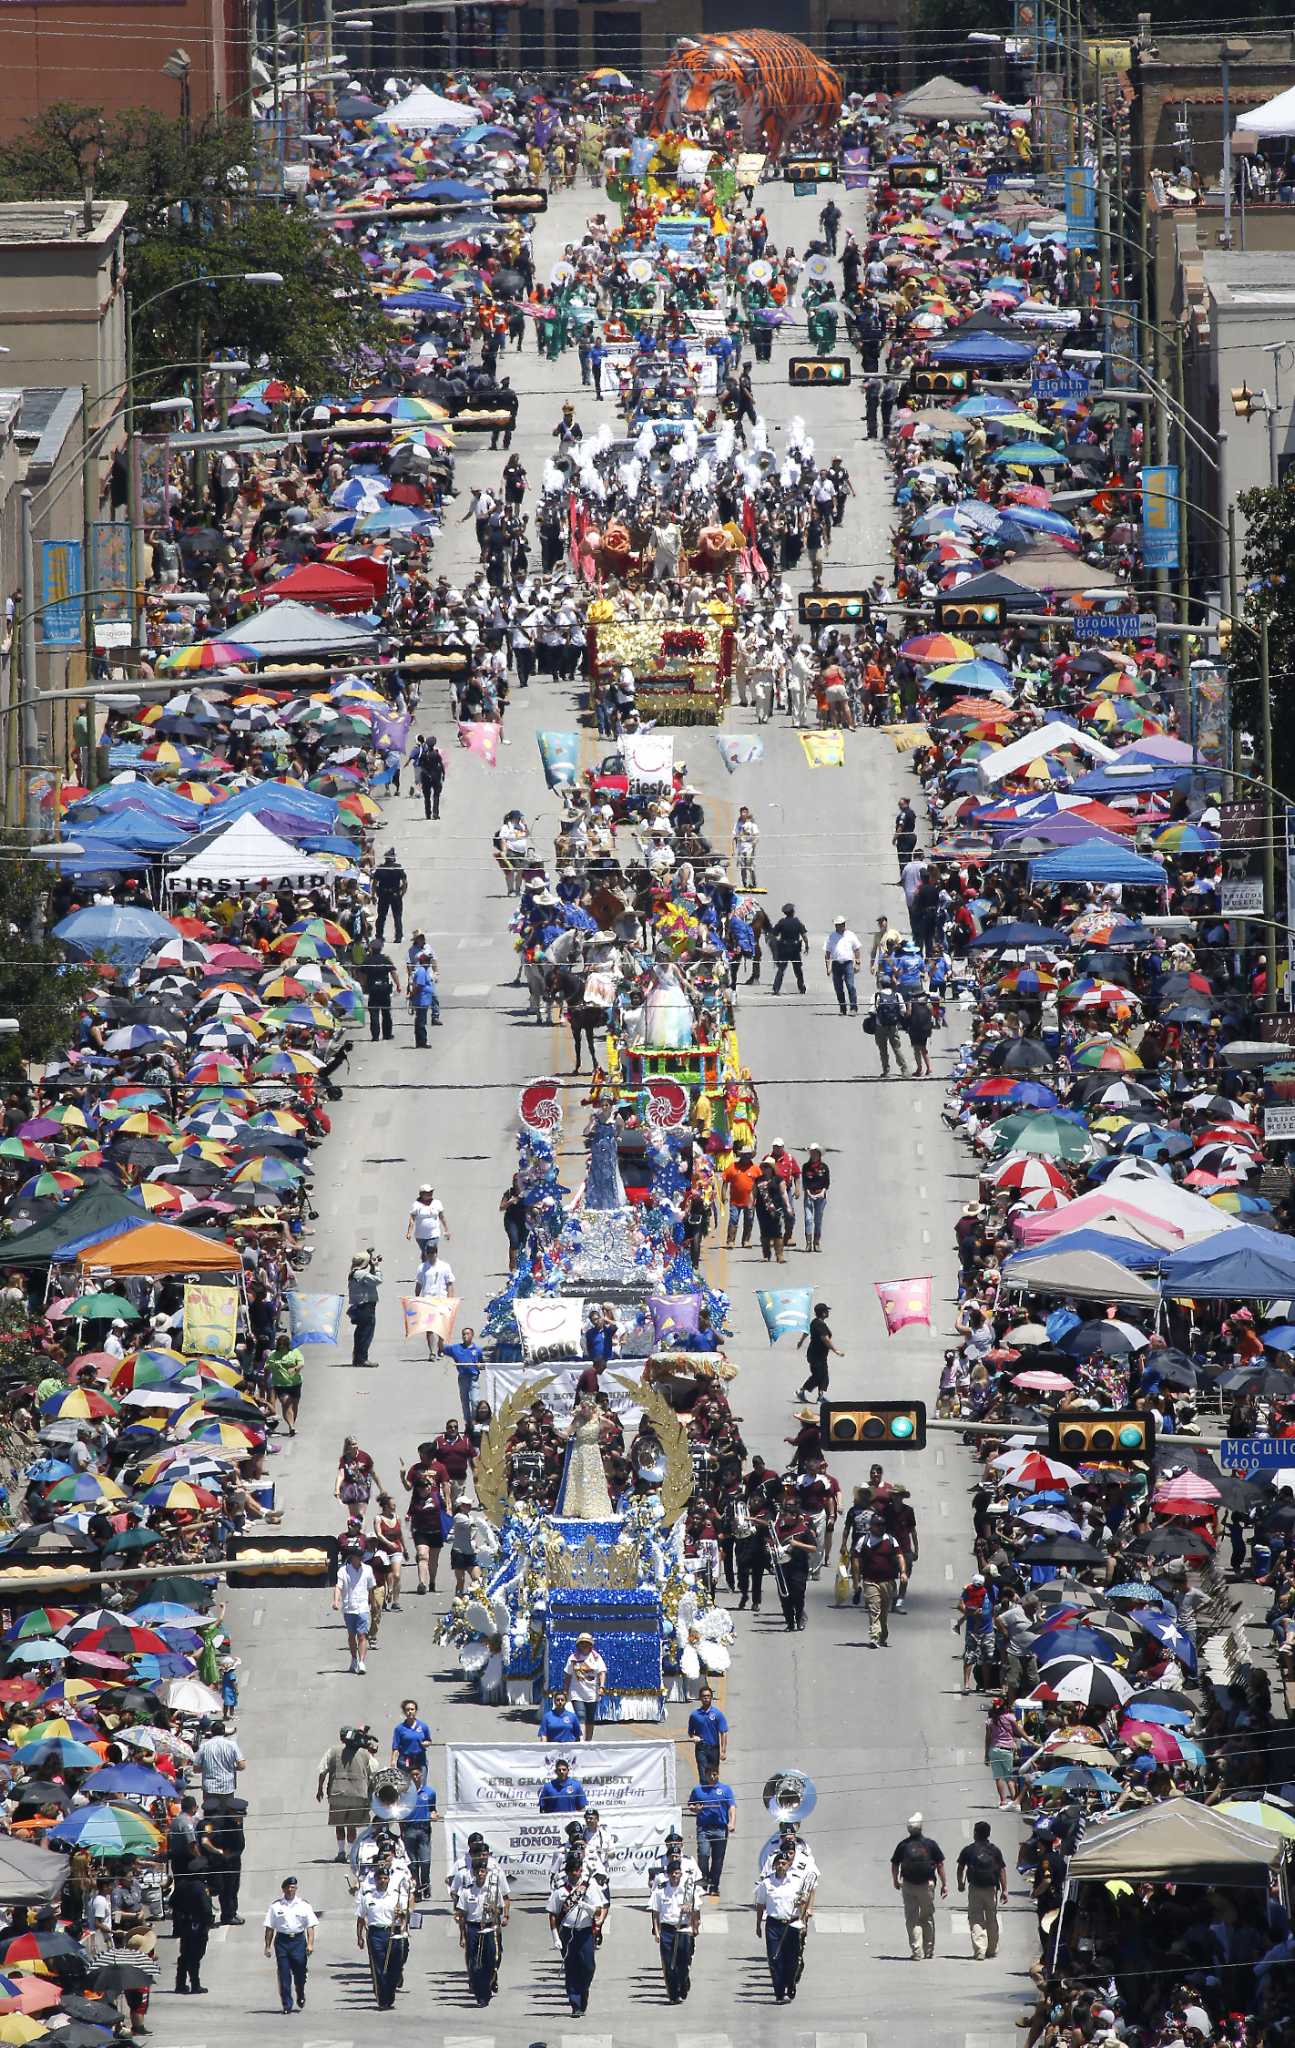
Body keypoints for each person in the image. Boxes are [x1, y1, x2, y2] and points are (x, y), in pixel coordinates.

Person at [548, 1851, 608, 2018]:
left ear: (581, 1870)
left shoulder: (590, 1887)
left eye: (578, 1870)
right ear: (567, 1872)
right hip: (567, 1933)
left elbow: (599, 1909)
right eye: (572, 1870)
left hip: (585, 1932)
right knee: (572, 1968)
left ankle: (583, 1991)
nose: (575, 1873)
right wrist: (555, 1937)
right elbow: (553, 1914)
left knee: (588, 1966)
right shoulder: (560, 1891)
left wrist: (588, 1908)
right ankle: (575, 2004)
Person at [753, 1844, 812, 2003]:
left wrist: (804, 1905)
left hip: (792, 1924)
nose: (781, 1866)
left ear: (789, 1865)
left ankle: (790, 1983)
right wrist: (758, 1924)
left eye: (784, 1863)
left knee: (791, 1960)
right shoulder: (767, 1883)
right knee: (774, 1959)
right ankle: (779, 1993)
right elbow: (760, 1904)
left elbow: (803, 1903)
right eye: (778, 1863)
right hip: (773, 1925)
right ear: (774, 1865)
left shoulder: (796, 1882)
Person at [455, 1842, 510, 2006]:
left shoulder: (493, 1889)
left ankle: (488, 1984)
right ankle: (481, 1995)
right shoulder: (467, 1890)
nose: (480, 1874)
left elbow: (501, 1907)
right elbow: (462, 1915)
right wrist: (462, 1936)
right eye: (478, 1871)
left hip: (489, 1927)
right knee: (474, 1964)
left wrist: (496, 1910)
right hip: (473, 1928)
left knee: (492, 1959)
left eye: (483, 1871)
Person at [890, 1812, 947, 1960]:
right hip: (927, 1885)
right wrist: (944, 1884)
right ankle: (929, 1950)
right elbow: (940, 1865)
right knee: (927, 1917)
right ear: (921, 1828)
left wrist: (896, 1880)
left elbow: (895, 1863)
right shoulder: (930, 1844)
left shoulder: (903, 1845)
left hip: (908, 1885)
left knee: (912, 1919)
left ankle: (917, 1951)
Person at [649, 1846, 700, 2004]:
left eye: (678, 1873)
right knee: (668, 1963)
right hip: (667, 1930)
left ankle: (683, 1982)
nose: (675, 1877)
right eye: (673, 1874)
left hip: (684, 1929)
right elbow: (655, 1912)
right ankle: (673, 1994)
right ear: (668, 1875)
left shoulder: (688, 1889)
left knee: (683, 1962)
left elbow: (697, 1909)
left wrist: (692, 1917)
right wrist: (657, 1931)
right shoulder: (660, 1890)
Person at [356, 1859, 408, 2010]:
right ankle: (382, 1999)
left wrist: (401, 1915)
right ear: (375, 1880)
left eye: (385, 1878)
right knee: (379, 1967)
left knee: (395, 1967)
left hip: (393, 1932)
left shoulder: (395, 1897)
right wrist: (359, 1936)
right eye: (379, 1878)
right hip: (376, 1933)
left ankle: (390, 1993)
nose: (382, 1881)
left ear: (388, 1880)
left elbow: (405, 1916)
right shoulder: (368, 1897)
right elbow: (360, 1918)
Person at [317, 1725, 375, 1858]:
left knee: (339, 1824)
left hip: (337, 1794)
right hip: (358, 1795)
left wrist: (319, 1789)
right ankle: (351, 1853)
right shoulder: (363, 1752)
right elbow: (374, 1769)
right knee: (351, 1825)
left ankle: (341, 1852)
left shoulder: (333, 1751)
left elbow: (322, 1771)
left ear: (341, 1737)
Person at [263, 1875, 317, 2015]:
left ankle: (300, 1992)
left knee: (300, 1970)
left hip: (298, 1941)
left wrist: (310, 1944)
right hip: (282, 1942)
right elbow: (270, 1928)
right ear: (283, 1889)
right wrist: (267, 1946)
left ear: (296, 1889)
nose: (290, 1890)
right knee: (284, 1973)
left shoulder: (304, 1905)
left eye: (293, 1887)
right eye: (287, 1887)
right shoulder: (276, 1906)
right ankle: (287, 2004)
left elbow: (310, 1926)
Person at [957, 1819, 1008, 1960]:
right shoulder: (994, 1850)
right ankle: (992, 1949)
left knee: (976, 1918)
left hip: (975, 1888)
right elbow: (1002, 1869)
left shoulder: (969, 1850)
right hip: (991, 1888)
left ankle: (980, 1950)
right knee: (992, 1918)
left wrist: (960, 1883)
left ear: (975, 1834)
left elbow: (960, 1867)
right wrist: (1004, 1890)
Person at [686, 1760, 736, 1896]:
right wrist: (695, 1809)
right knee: (703, 1855)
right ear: (706, 1775)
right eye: (710, 1775)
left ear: (718, 1774)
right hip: (704, 1828)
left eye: (715, 1774)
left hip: (720, 1829)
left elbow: (732, 1807)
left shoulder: (725, 1790)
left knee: (717, 1859)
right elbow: (690, 1805)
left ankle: (714, 1885)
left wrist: (732, 1823)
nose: (713, 1777)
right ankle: (704, 1880)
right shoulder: (698, 1790)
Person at [333, 1542, 377, 1673]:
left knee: (362, 1635)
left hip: (363, 1607)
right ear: (352, 1557)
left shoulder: (367, 1570)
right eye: (358, 1556)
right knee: (352, 1635)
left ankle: (362, 1662)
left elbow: (371, 1588)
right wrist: (336, 1601)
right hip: (349, 1607)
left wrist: (373, 1603)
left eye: (361, 1556)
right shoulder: (343, 1571)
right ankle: (354, 1658)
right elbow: (338, 1587)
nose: (360, 1558)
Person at [563, 1630, 607, 1738]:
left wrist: (602, 1686)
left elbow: (602, 1672)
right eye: (582, 1643)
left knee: (590, 1718)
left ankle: (588, 1741)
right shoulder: (573, 1658)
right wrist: (565, 1690)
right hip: (577, 1693)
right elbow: (568, 1675)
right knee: (580, 1715)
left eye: (586, 1643)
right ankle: (581, 1739)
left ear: (590, 1645)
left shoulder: (596, 1658)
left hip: (592, 1693)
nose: (584, 1645)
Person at [795, 1302, 842, 1400]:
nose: (828, 1312)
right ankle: (801, 1391)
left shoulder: (814, 1322)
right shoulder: (821, 1325)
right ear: (823, 1313)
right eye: (826, 1311)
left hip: (817, 1354)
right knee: (818, 1375)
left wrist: (800, 1341)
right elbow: (825, 1339)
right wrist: (835, 1350)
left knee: (823, 1375)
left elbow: (806, 1331)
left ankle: (820, 1396)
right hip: (817, 1355)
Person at [347, 1251, 381, 1368]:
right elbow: (378, 1280)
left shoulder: (355, 1273)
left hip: (360, 1307)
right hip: (365, 1307)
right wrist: (376, 1267)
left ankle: (358, 1358)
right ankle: (362, 1359)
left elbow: (369, 1282)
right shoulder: (361, 1274)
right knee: (366, 1334)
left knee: (360, 1334)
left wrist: (371, 1267)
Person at [265, 1332, 304, 1434]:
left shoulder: (295, 1352)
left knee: (294, 1404)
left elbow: (301, 1364)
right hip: (280, 1384)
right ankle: (291, 1426)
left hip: (295, 1383)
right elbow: (267, 1367)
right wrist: (266, 1380)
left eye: (284, 1346)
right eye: (280, 1346)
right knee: (286, 1403)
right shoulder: (273, 1355)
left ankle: (292, 1424)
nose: (282, 1348)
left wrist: (295, 1369)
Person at [687, 1684, 729, 1775]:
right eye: (704, 1696)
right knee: (703, 1775)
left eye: (708, 1696)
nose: (706, 1698)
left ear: (711, 1698)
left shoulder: (717, 1714)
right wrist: (694, 1737)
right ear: (700, 1698)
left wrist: (723, 1751)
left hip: (714, 1749)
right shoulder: (694, 1715)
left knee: (713, 1776)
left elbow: (723, 1733)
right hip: (701, 1749)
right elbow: (690, 1732)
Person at [824, 914, 862, 1015]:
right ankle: (842, 1008)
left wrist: (857, 963)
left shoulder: (850, 935)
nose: (840, 926)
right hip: (836, 964)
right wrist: (828, 967)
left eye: (842, 924)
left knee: (850, 985)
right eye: (838, 924)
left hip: (848, 963)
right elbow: (827, 953)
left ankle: (853, 1008)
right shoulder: (831, 937)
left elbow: (856, 949)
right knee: (838, 987)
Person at [872, 979, 909, 1077]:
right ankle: (904, 1069)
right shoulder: (897, 995)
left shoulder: (877, 995)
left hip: (880, 1026)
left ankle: (886, 1070)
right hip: (893, 1026)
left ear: (880, 984)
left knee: (883, 1049)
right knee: (896, 1048)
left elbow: (872, 1010)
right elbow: (903, 1010)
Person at [770, 902, 808, 994]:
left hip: (784, 949)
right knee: (798, 970)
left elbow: (774, 934)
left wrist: (775, 947)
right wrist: (807, 945)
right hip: (795, 949)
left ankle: (776, 988)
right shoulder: (797, 922)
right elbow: (804, 935)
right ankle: (801, 987)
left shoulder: (782, 922)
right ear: (793, 912)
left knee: (781, 969)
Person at [373, 848, 407, 943]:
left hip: (383, 895)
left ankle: (379, 935)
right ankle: (398, 936)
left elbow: (374, 884)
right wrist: (402, 894)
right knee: (397, 916)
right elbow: (404, 883)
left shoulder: (380, 869)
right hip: (395, 895)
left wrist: (373, 895)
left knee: (381, 916)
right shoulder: (398, 868)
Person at [409, 949, 442, 1044]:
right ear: (423, 961)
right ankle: (421, 1041)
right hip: (421, 1001)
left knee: (421, 1021)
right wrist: (412, 995)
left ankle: (421, 1040)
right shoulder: (422, 971)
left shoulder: (425, 970)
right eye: (428, 960)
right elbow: (418, 986)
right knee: (421, 1022)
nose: (429, 962)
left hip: (424, 1000)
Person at [801, 1145, 830, 1251]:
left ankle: (816, 1242)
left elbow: (827, 1183)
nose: (814, 1155)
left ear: (819, 1155)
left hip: (820, 1195)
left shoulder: (824, 1167)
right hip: (809, 1194)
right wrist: (808, 1192)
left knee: (818, 1220)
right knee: (808, 1219)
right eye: (812, 1153)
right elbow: (805, 1182)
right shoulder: (805, 1167)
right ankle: (808, 1243)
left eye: (816, 1153)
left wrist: (822, 1192)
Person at [390, 1700, 431, 1774]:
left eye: (412, 1709)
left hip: (420, 1759)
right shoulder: (399, 1728)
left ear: (416, 1711)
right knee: (406, 1784)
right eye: (407, 1710)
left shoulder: (423, 1726)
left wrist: (426, 1743)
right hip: (405, 1760)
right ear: (404, 1712)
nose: (410, 1711)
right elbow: (395, 1747)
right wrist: (393, 1761)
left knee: (420, 1784)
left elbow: (428, 1740)